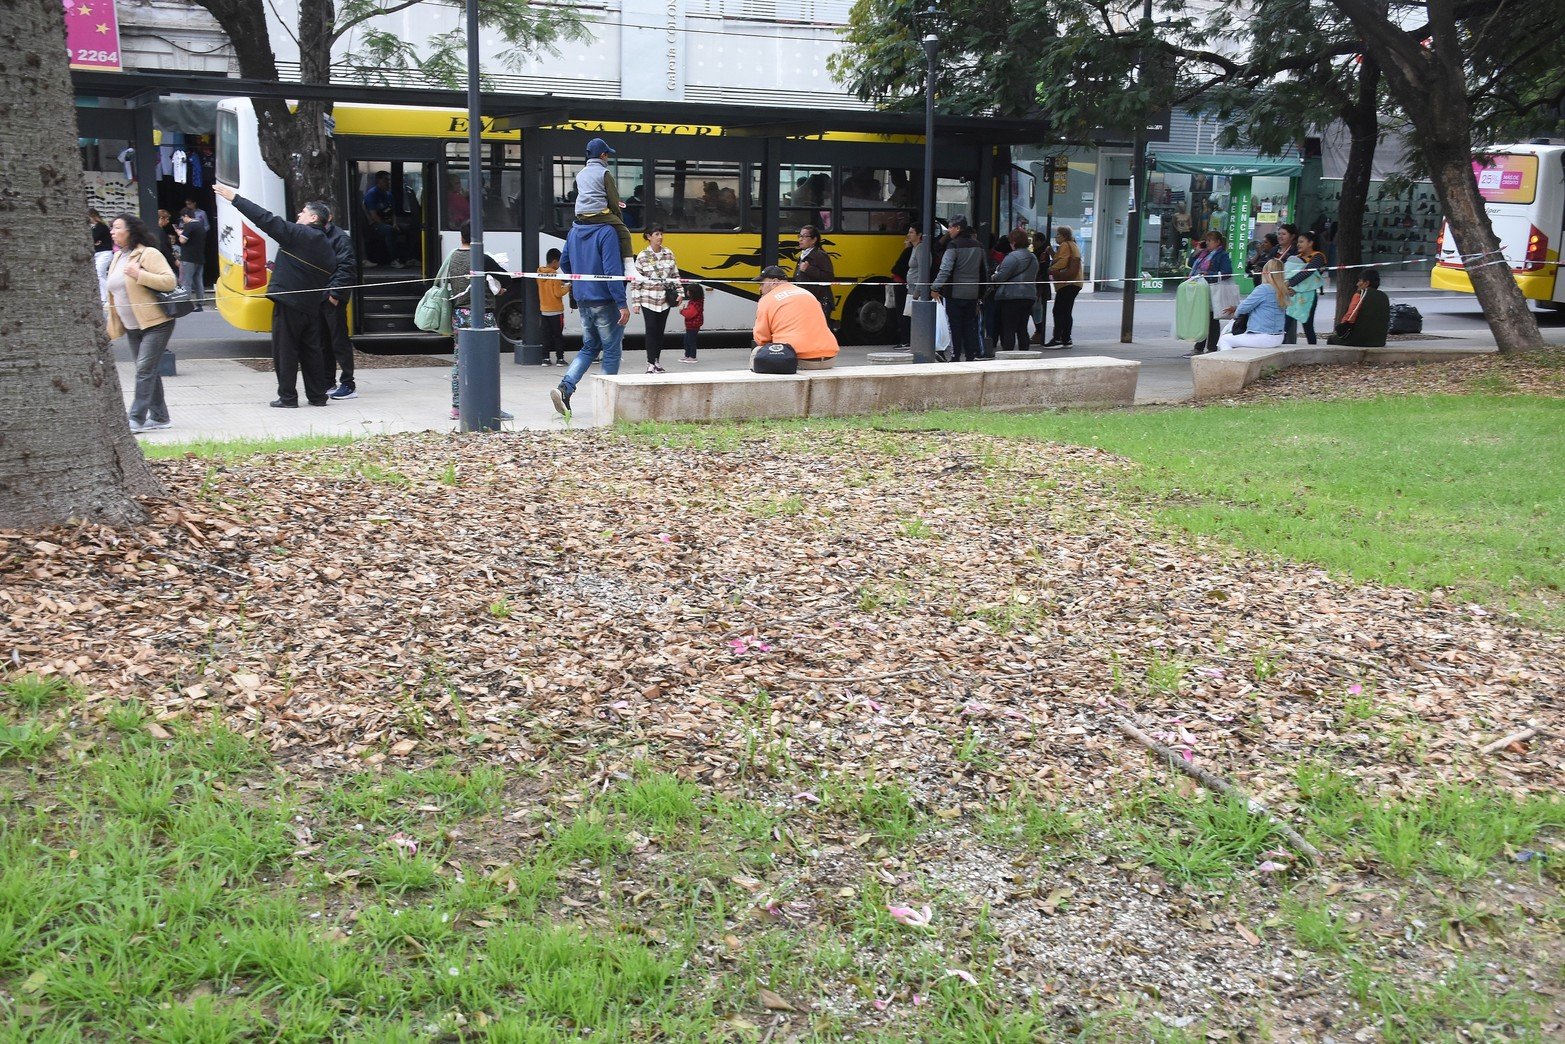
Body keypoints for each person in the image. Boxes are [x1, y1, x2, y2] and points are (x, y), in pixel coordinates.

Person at [215, 182, 337, 408]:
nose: (299, 216)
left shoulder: (300, 234)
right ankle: (317, 396)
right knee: (312, 351)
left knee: (285, 351)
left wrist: (236, 199)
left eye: (303, 213)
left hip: (289, 303)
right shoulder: (327, 248)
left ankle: (288, 397)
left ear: (313, 219)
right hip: (310, 306)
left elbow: (265, 219)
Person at [104, 213, 178, 433]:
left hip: (156, 322)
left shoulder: (148, 253)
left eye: (117, 227)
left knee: (144, 370)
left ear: (131, 231)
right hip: (132, 325)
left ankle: (136, 418)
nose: (112, 232)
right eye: (111, 228)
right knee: (147, 370)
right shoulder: (118, 256)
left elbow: (169, 281)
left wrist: (140, 274)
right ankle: (160, 417)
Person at [550, 219, 629, 417]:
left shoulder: (574, 230)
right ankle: (606, 403)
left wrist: (582, 282)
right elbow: (612, 271)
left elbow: (565, 262)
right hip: (605, 300)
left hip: (583, 298)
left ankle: (565, 388)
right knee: (611, 351)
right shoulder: (607, 232)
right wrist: (622, 303)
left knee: (590, 347)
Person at [440, 221, 514, 420]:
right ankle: (489, 406)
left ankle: (457, 407)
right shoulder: (481, 258)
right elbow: (506, 279)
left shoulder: (452, 257)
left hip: (459, 314)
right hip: (482, 315)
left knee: (460, 359)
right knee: (487, 360)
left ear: (461, 236)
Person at [752, 265, 839, 370]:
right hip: (829, 358)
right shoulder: (808, 294)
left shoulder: (767, 300)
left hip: (797, 359)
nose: (760, 288)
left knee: (757, 352)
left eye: (762, 283)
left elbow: (762, 339)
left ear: (774, 282)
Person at [573, 137, 635, 269]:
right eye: (607, 155)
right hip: (598, 213)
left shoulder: (580, 174)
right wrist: (619, 219)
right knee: (624, 233)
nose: (607, 158)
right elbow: (613, 200)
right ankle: (630, 268)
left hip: (581, 214)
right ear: (602, 155)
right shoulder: (604, 173)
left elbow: (589, 194)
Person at [318, 203, 358, 398]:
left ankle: (348, 383)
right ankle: (327, 381)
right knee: (323, 341)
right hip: (317, 296)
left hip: (332, 297)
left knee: (338, 340)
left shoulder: (340, 238)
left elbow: (346, 267)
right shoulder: (312, 235)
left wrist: (335, 294)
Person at [931, 215, 984, 361]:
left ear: (958, 228)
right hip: (973, 293)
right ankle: (970, 356)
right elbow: (983, 271)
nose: (949, 230)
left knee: (955, 327)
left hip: (954, 293)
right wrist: (981, 295)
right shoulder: (978, 246)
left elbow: (945, 269)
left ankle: (955, 356)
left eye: (951, 227)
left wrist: (935, 287)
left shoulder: (954, 245)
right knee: (969, 326)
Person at [631, 225, 681, 373]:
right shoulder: (642, 256)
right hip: (648, 299)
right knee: (651, 329)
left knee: (660, 331)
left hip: (665, 299)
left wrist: (680, 293)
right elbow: (636, 281)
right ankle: (650, 363)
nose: (660, 237)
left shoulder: (669, 254)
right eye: (657, 234)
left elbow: (675, 275)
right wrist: (636, 302)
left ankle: (657, 361)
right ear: (648, 237)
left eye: (661, 234)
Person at [1216, 259, 1290, 351]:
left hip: (1263, 336)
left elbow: (1243, 308)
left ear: (1266, 272)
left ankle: (1231, 363)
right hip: (1278, 337)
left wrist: (1235, 313)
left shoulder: (1263, 289)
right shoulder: (1283, 290)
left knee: (1225, 339)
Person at [990, 228, 1040, 353]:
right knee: (1022, 328)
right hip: (1028, 296)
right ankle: (1025, 353)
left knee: (1009, 329)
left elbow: (1001, 277)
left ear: (1013, 241)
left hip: (1011, 297)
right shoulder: (1033, 257)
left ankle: (1008, 354)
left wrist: (993, 276)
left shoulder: (1012, 257)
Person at [1189, 229, 1234, 356]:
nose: (1207, 243)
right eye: (1206, 241)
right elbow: (1191, 264)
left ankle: (1211, 347)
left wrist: (1209, 274)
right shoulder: (1203, 254)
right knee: (1201, 319)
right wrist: (1197, 251)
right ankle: (1199, 346)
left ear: (1218, 242)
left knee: (1212, 320)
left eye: (1210, 241)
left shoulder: (1222, 255)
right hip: (1201, 289)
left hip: (1212, 289)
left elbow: (1227, 272)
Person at [1283, 229, 1328, 345]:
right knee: (1285, 324)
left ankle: (1312, 350)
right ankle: (1280, 347)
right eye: (1298, 242)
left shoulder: (1318, 257)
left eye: (1301, 241)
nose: (1298, 244)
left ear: (1310, 243)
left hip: (1308, 297)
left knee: (1307, 325)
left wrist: (1290, 283)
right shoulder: (1296, 258)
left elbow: (1307, 272)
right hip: (1292, 294)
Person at [1327, 268, 1391, 347]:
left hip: (1360, 339)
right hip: (1379, 341)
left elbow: (1350, 316)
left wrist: (1341, 328)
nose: (1357, 284)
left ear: (1366, 283)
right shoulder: (1384, 296)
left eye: (1360, 281)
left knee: (1331, 339)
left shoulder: (1361, 294)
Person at [1044, 225, 1083, 349]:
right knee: (1066, 311)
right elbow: (1063, 258)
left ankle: (1057, 338)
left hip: (1067, 283)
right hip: (1075, 282)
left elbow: (1062, 261)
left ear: (1064, 236)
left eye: (1058, 235)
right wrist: (1052, 253)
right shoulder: (1073, 244)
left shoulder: (1065, 245)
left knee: (1058, 310)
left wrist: (1050, 269)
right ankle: (1066, 338)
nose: (1056, 237)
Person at [890, 225, 926, 348]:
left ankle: (911, 341)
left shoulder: (920, 249)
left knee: (911, 316)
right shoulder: (914, 249)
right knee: (907, 314)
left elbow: (923, 272)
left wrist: (917, 290)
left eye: (911, 232)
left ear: (919, 235)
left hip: (915, 289)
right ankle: (909, 341)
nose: (908, 235)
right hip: (910, 288)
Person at [792, 224, 835, 319]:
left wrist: (809, 269)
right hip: (805, 301)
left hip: (818, 301)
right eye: (800, 236)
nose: (800, 239)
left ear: (814, 240)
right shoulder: (803, 255)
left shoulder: (820, 255)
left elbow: (829, 277)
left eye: (804, 236)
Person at [537, 247, 569, 365]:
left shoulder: (540, 273)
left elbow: (547, 286)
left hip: (544, 310)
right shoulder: (555, 275)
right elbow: (557, 293)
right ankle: (560, 358)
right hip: (556, 311)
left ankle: (545, 359)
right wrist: (567, 287)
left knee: (546, 335)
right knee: (557, 336)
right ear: (555, 261)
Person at [363, 170, 400, 268]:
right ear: (378, 181)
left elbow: (393, 212)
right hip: (375, 224)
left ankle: (410, 258)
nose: (388, 182)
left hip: (389, 221)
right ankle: (393, 259)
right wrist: (386, 224)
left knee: (408, 228)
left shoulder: (388, 195)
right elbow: (373, 216)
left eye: (389, 180)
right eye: (385, 180)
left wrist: (395, 223)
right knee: (389, 230)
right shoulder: (372, 194)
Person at [177, 207, 208, 311]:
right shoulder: (201, 225)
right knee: (199, 281)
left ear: (186, 216)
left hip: (188, 258)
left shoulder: (189, 226)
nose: (182, 220)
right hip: (199, 257)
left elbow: (182, 240)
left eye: (182, 218)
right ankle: (200, 303)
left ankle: (186, 304)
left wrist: (179, 234)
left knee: (187, 282)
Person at [1030, 231, 1052, 344]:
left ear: (1039, 241)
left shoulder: (1041, 254)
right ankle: (1038, 331)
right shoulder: (1039, 252)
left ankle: (1039, 332)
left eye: (1034, 240)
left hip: (1039, 286)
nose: (1033, 243)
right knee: (1036, 310)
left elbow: (1042, 271)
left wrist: (1040, 288)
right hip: (1039, 285)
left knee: (1037, 310)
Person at [90, 210, 113, 302]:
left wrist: (95, 242)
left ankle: (111, 292)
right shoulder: (95, 227)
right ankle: (104, 298)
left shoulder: (101, 226)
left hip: (104, 253)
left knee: (98, 274)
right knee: (101, 275)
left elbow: (93, 238)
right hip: (99, 253)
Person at [679, 282, 705, 363]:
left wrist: (682, 310)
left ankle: (692, 356)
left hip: (693, 325)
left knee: (690, 341)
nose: (687, 292)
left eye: (688, 291)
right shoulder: (694, 302)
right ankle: (687, 355)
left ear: (693, 293)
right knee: (687, 340)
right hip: (691, 325)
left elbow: (689, 314)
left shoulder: (695, 303)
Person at [155, 210, 181, 278]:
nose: (168, 221)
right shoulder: (160, 232)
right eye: (167, 219)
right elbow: (164, 248)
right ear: (161, 218)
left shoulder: (157, 230)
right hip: (165, 261)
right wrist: (174, 260)